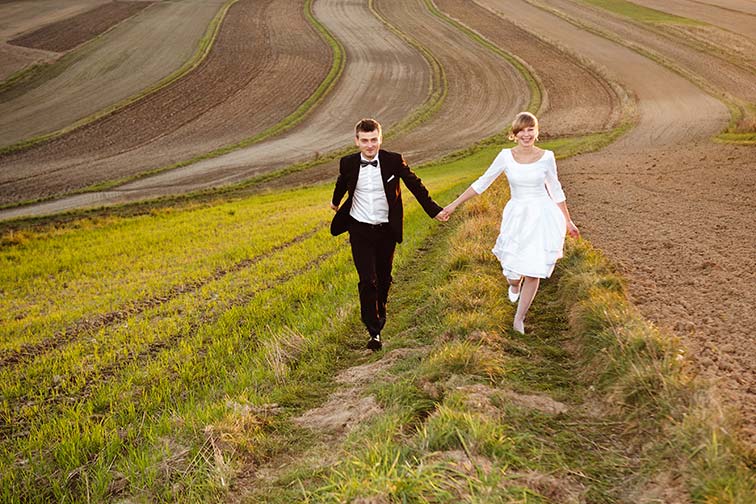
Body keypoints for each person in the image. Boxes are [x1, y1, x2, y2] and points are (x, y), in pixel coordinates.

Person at [442, 112, 579, 334]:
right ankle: (514, 283)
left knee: (534, 270)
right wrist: (453, 205)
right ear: (514, 134)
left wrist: (568, 221)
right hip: (517, 215)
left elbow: (555, 189)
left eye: (530, 129)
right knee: (512, 272)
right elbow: (482, 183)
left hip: (542, 215)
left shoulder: (547, 156)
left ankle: (519, 318)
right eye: (522, 130)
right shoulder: (505, 156)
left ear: (537, 131)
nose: (527, 134)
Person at [330, 118, 448, 350]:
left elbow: (416, 185)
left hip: (386, 230)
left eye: (374, 140)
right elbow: (342, 182)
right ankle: (373, 332)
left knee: (383, 279)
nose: (370, 145)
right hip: (359, 228)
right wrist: (335, 202)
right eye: (365, 141)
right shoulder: (348, 163)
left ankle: (380, 312)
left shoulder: (393, 161)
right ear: (357, 142)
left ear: (380, 139)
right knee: (367, 281)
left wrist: (434, 211)